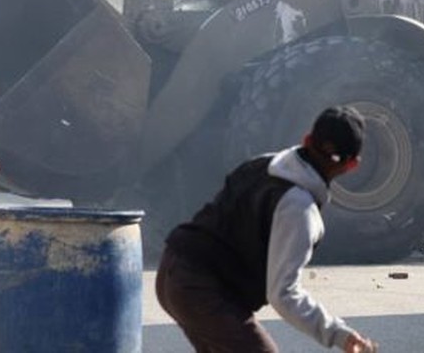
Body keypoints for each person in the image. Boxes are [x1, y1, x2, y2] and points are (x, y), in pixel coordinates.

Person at [156, 106, 378, 353]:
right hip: (198, 289)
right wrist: (339, 335)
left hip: (171, 267)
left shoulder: (261, 164)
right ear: (351, 165)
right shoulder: (299, 209)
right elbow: (283, 294)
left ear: (306, 140)